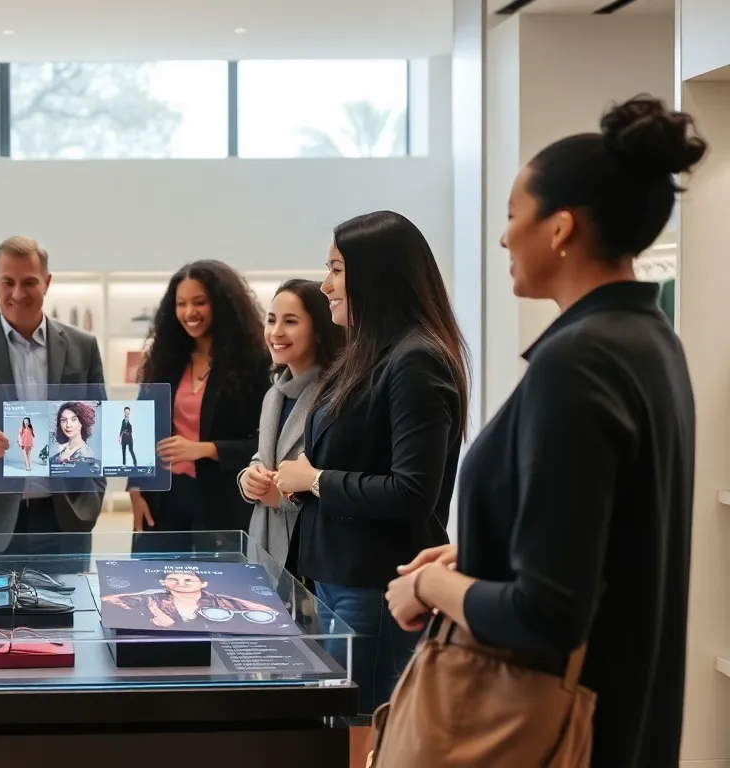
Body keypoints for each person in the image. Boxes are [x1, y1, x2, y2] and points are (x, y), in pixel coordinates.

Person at [385, 96, 703, 766]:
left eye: (511, 217)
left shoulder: (578, 361)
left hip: (557, 730)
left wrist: (428, 588)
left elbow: (548, 615)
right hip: (624, 717)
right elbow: (605, 545)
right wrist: (478, 557)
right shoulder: (647, 340)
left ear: (560, 229)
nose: (503, 238)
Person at [272, 210, 470, 717]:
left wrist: (315, 480)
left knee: (364, 723)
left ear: (375, 273)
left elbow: (411, 492)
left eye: (337, 269)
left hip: (376, 581)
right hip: (338, 573)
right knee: (343, 722)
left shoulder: (415, 360)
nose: (326, 285)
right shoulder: (369, 354)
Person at [0, 236, 106, 566]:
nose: (17, 294)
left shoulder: (83, 346)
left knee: (70, 616)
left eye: (29, 282)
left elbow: (98, 424)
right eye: (7, 282)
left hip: (66, 519)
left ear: (47, 282)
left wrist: (94, 495)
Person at [129, 260, 271, 555]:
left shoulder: (254, 365)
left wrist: (204, 448)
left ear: (222, 304)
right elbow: (140, 426)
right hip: (163, 497)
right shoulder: (164, 359)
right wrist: (135, 488)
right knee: (154, 587)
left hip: (222, 497)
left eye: (199, 302)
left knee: (219, 589)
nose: (189, 313)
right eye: (181, 304)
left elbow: (264, 445)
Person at [237, 279, 345, 569]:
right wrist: (249, 477)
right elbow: (265, 456)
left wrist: (282, 498)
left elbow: (338, 478)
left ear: (320, 330)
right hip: (265, 543)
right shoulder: (274, 393)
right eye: (271, 320)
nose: (276, 332)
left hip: (311, 551)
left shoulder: (336, 396)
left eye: (291, 321)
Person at [102, 570, 278, 629]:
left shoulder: (223, 601)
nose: (181, 583)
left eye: (188, 579)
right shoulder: (151, 599)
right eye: (174, 579)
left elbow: (269, 612)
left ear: (203, 583)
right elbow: (108, 600)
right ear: (163, 583)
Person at [52, 401, 97, 465]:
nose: (68, 425)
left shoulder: (86, 455)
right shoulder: (64, 450)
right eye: (63, 420)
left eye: (73, 419)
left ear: (82, 422)